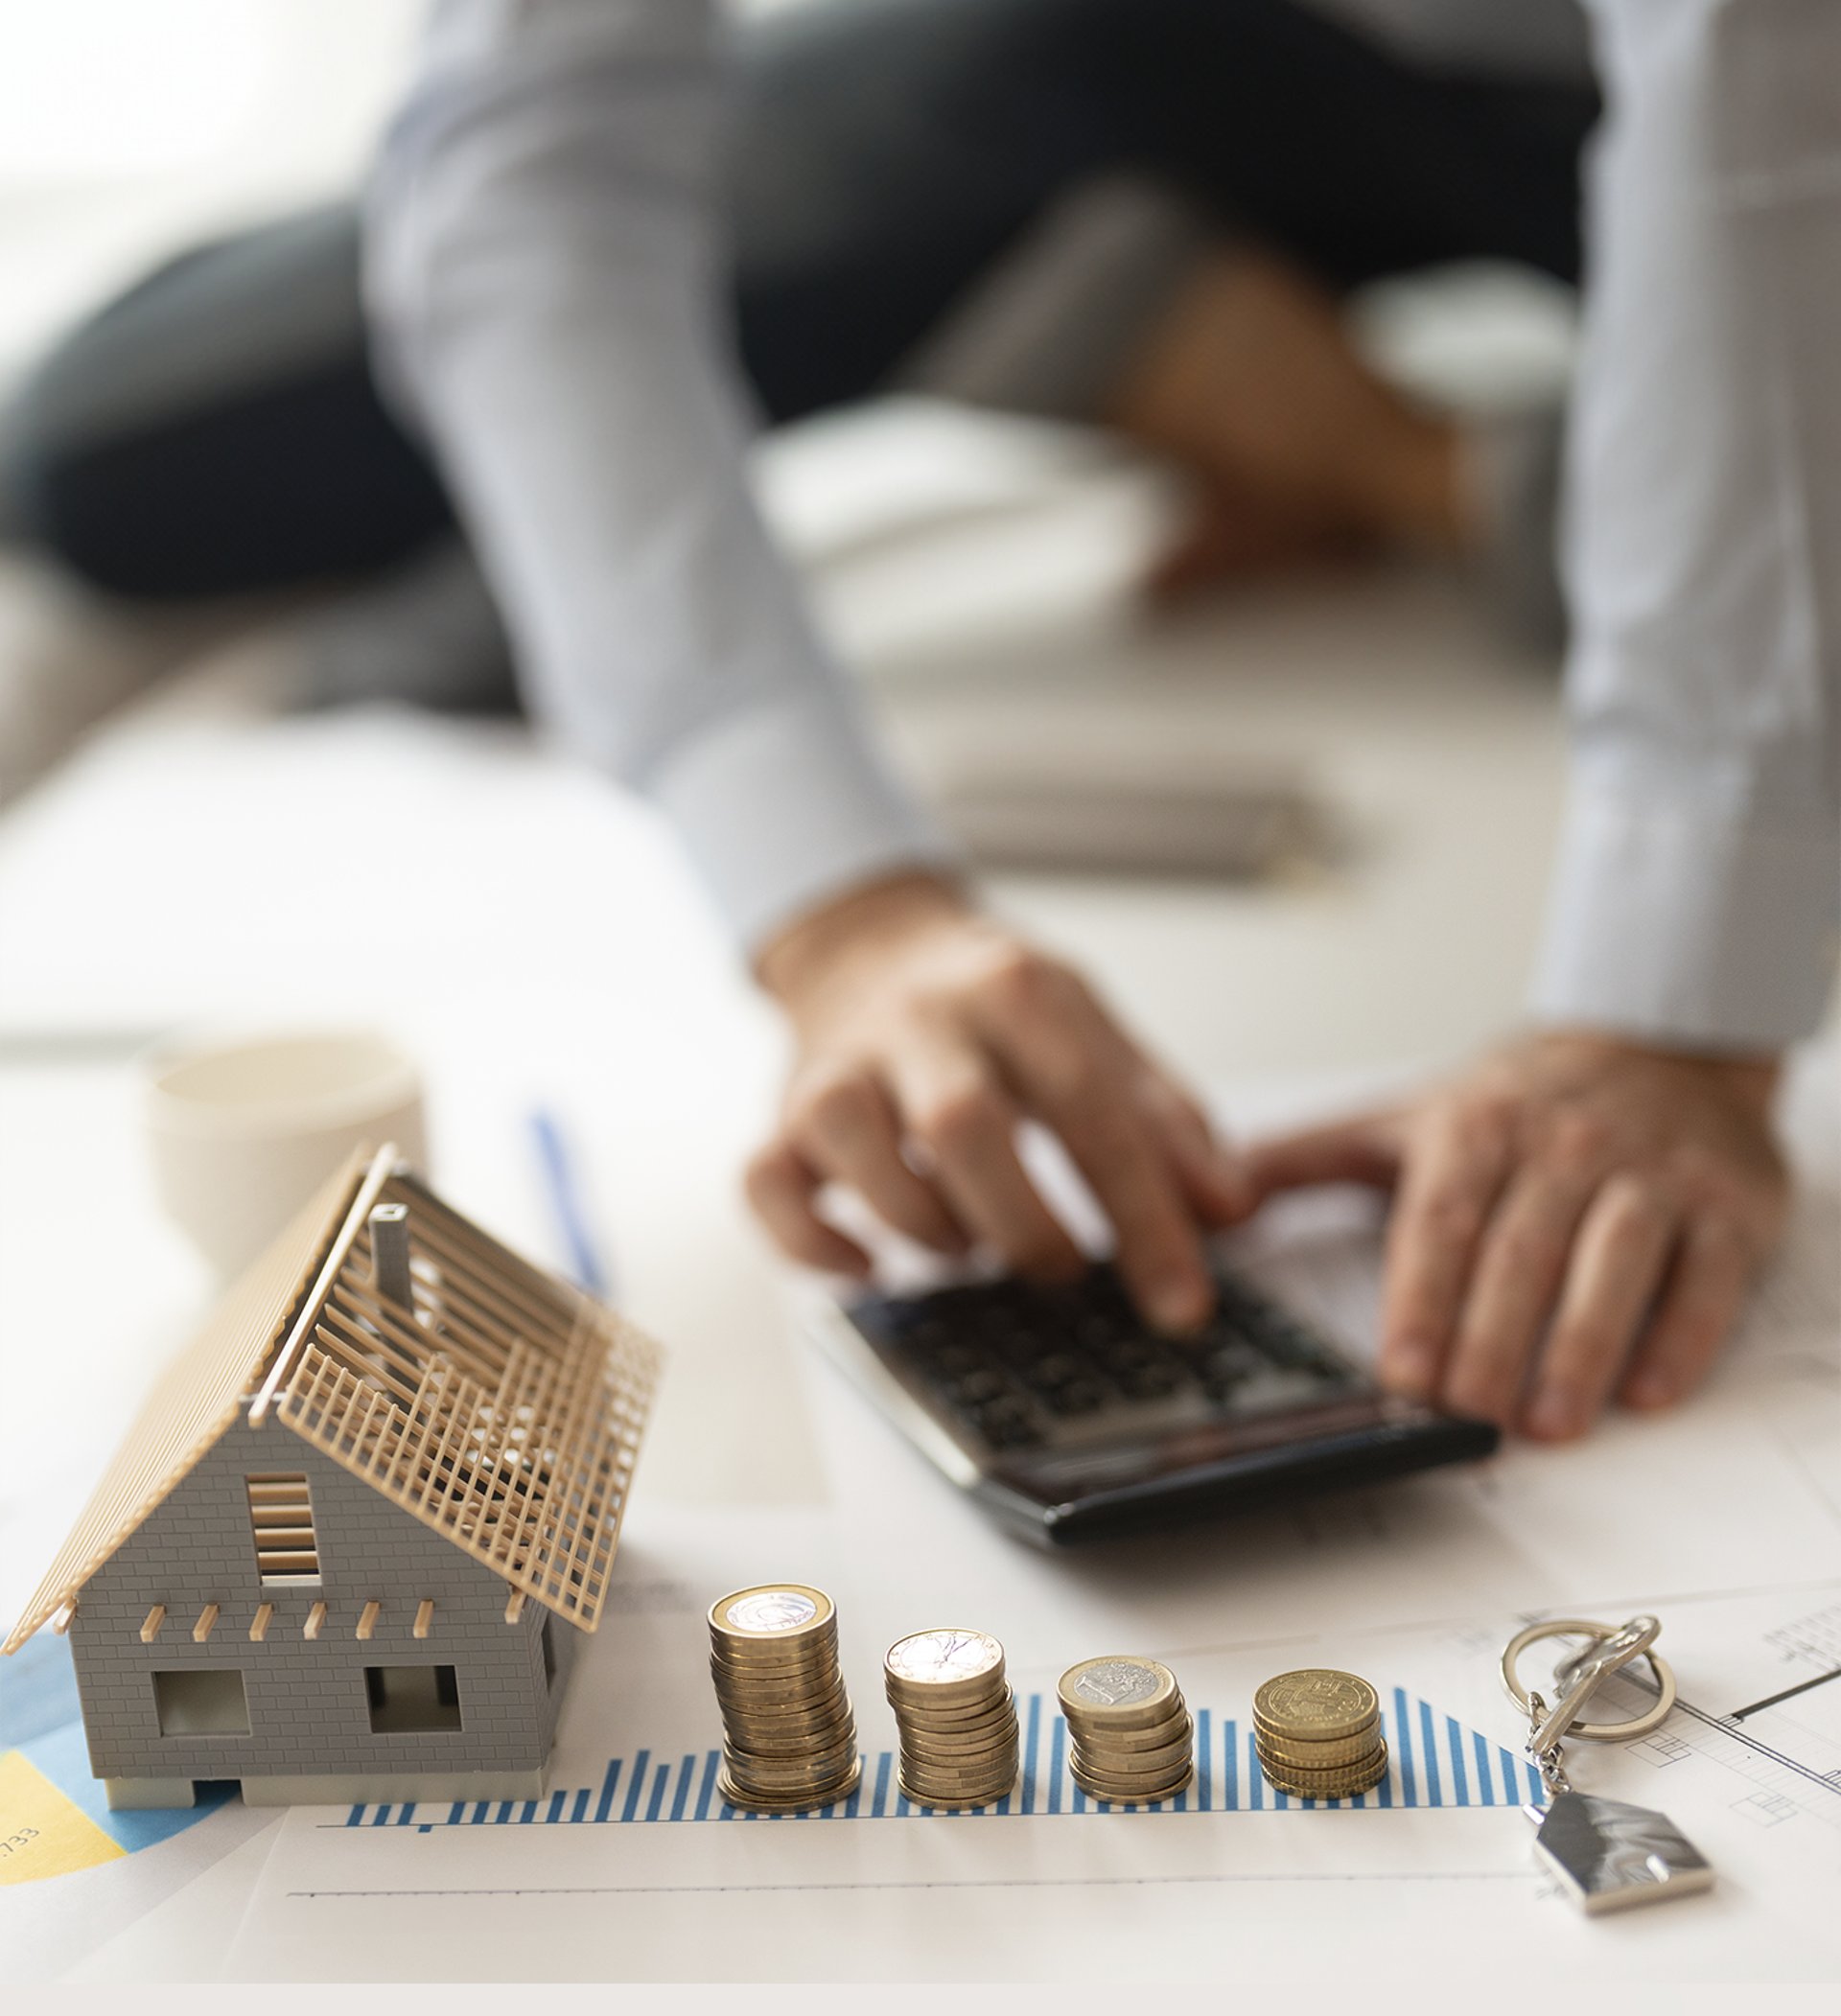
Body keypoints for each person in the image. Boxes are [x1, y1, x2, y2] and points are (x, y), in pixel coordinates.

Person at [1, 0, 1830, 1444]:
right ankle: (1185, 328)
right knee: (116, 450)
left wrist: (1675, 1015)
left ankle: (1392, 448)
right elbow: (531, 175)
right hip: (1228, 54)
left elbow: (1761, 74)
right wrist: (837, 907)